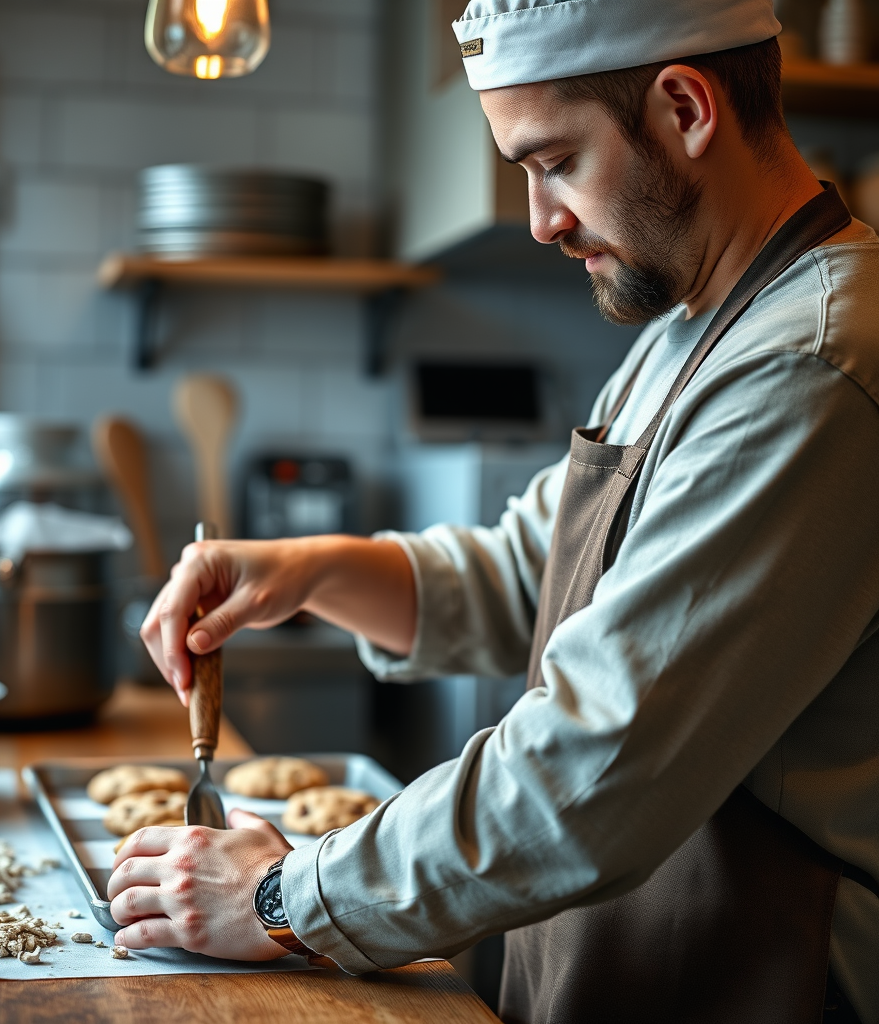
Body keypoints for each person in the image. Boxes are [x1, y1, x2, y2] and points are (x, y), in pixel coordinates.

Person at [106, 1, 879, 1020]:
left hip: (756, 980)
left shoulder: (810, 366)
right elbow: (527, 576)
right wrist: (304, 569)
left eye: (552, 160)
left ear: (686, 107)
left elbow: (593, 767)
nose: (541, 218)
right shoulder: (688, 329)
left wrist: (285, 897)